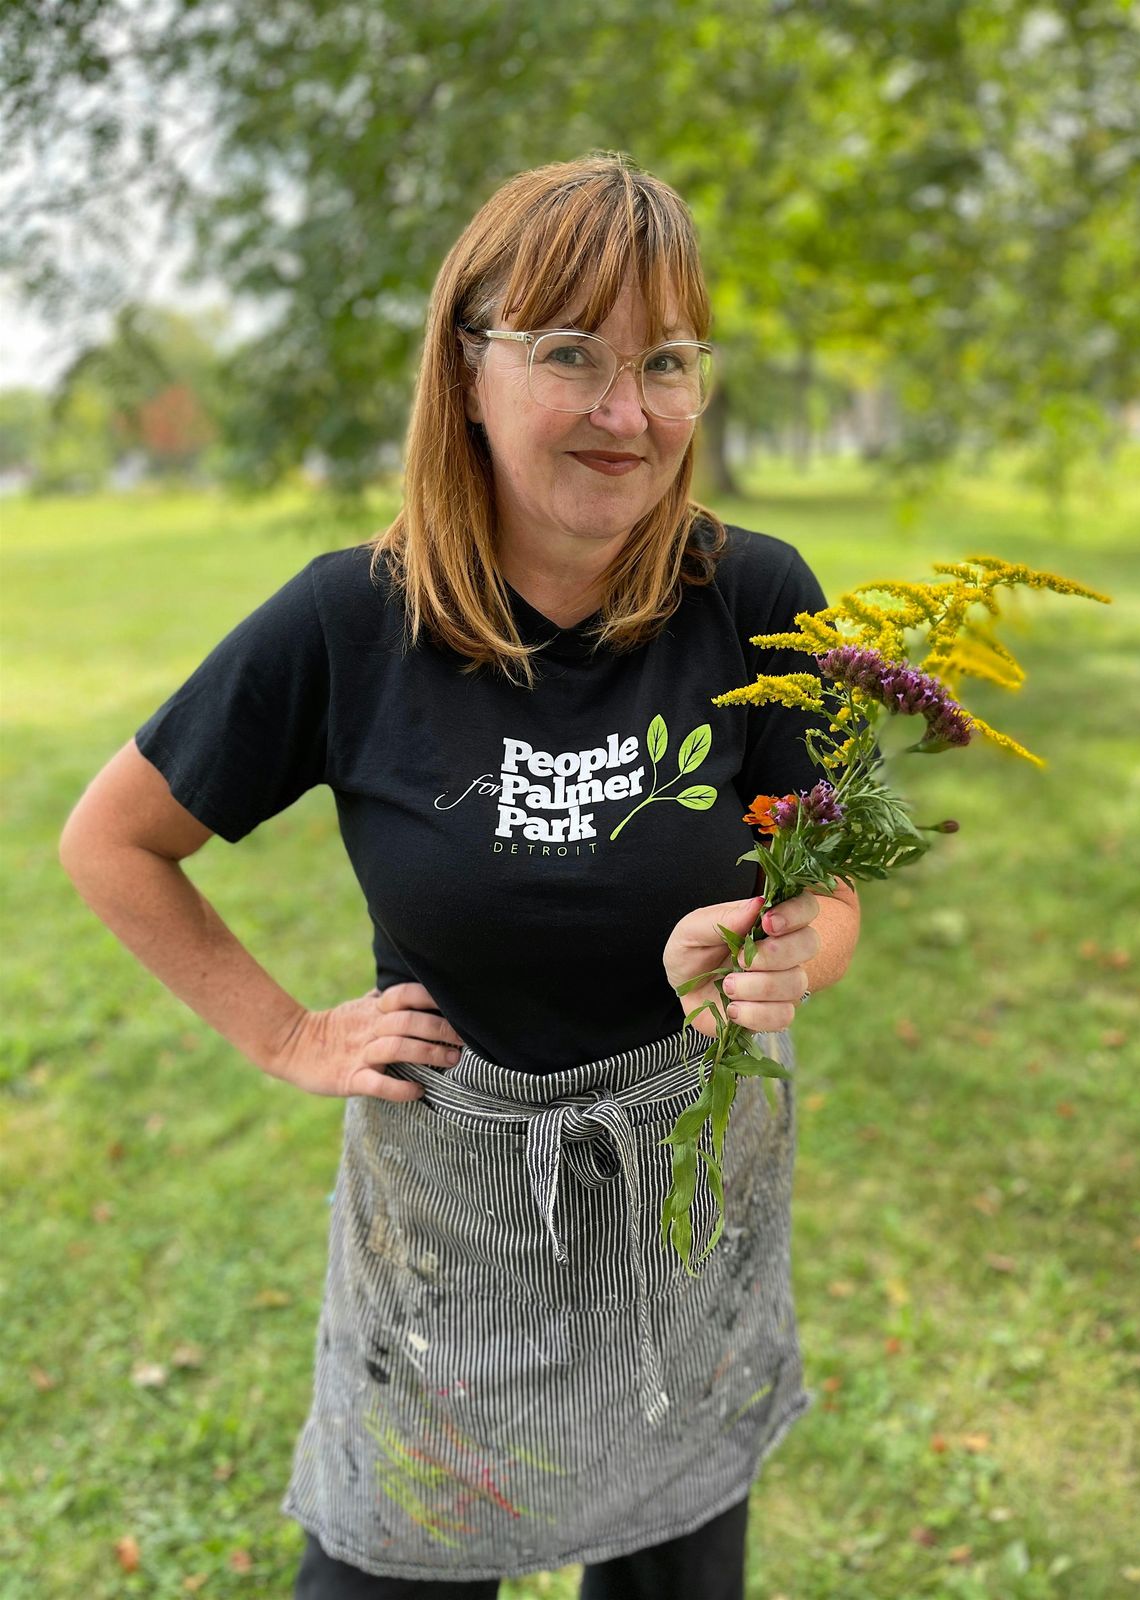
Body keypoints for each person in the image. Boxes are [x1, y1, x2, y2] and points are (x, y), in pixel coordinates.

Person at [58, 152, 862, 1598]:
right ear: (468, 368)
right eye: (573, 355)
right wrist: (289, 1034)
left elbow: (831, 883)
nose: (630, 412)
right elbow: (112, 840)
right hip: (448, 1250)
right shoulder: (351, 620)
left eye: (667, 362)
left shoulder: (759, 598)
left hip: (688, 1233)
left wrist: (792, 949)